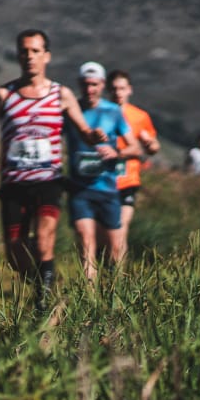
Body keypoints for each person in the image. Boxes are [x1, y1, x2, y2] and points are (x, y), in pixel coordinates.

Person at [0, 30, 110, 309]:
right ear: (17, 55)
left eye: (35, 51)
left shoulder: (61, 94)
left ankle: (44, 303)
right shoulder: (3, 95)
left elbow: (83, 131)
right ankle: (43, 280)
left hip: (48, 180)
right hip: (14, 183)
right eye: (24, 51)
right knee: (15, 252)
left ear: (46, 56)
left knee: (45, 239)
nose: (29, 57)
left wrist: (93, 137)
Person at [65, 62, 141, 281]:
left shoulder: (113, 111)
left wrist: (117, 153)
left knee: (115, 250)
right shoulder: (71, 111)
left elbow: (135, 147)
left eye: (95, 85)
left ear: (102, 85)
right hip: (80, 190)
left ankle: (117, 299)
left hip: (108, 190)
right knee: (86, 242)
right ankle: (90, 301)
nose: (90, 90)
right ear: (79, 84)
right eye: (86, 84)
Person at [108, 69, 159, 232]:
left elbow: (154, 147)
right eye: (114, 88)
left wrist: (149, 144)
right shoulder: (101, 113)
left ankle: (120, 259)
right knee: (104, 230)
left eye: (122, 88)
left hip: (128, 179)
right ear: (108, 90)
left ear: (129, 89)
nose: (118, 93)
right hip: (102, 179)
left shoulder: (139, 116)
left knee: (121, 227)